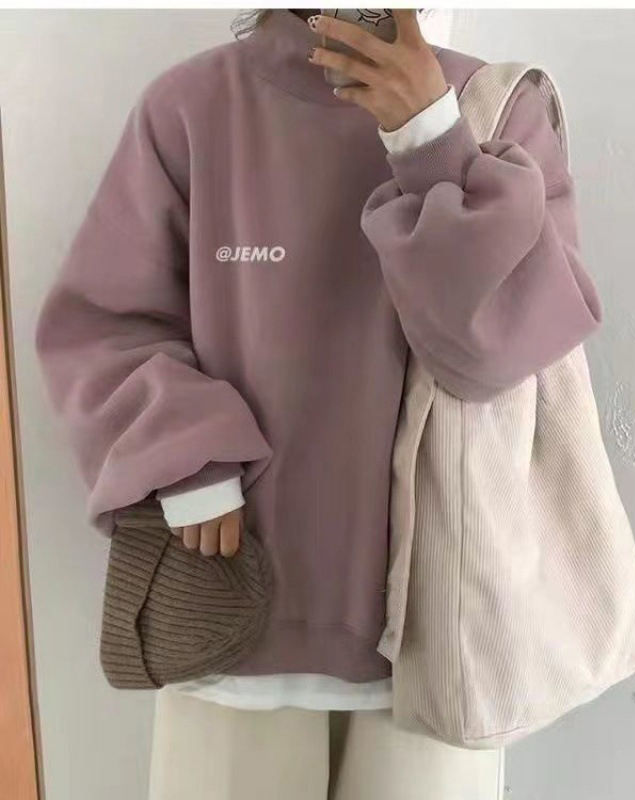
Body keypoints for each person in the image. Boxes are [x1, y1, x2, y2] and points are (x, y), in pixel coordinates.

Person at [35, 8, 602, 799]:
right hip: (234, 612)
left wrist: (431, 140)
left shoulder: (499, 111)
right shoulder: (190, 107)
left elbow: (502, 353)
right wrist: (184, 456)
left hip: (441, 633)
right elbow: (103, 323)